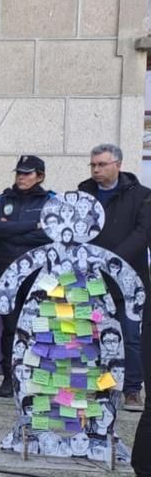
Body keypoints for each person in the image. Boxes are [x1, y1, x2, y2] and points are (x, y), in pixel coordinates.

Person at [79, 143, 151, 412]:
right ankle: (103, 385)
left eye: (102, 165)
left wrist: (112, 259)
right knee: (96, 333)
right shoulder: (84, 192)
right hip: (94, 280)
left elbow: (143, 234)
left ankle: (132, 389)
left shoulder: (142, 196)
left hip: (129, 281)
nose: (96, 170)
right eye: (93, 165)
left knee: (130, 335)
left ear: (117, 165)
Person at [0, 155, 53, 398]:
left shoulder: (51, 202)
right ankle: (9, 376)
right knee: (10, 326)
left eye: (27, 173)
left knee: (37, 325)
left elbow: (48, 235)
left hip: (37, 272)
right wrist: (32, 225)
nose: (21, 177)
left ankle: (35, 378)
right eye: (19, 173)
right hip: (6, 269)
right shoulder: (3, 199)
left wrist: (15, 229)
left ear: (40, 176)